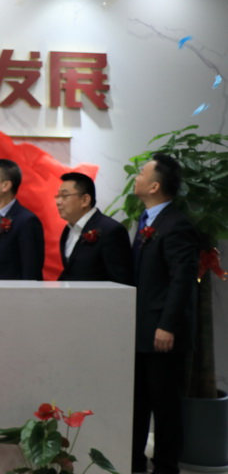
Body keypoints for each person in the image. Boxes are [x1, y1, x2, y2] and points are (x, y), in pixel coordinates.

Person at [131, 153, 198, 474]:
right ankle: (134, 464)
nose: (136, 177)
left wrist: (167, 325)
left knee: (166, 408)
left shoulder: (176, 224)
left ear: (155, 186)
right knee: (138, 404)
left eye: (141, 173)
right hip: (141, 331)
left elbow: (182, 280)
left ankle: (166, 468)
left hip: (162, 334)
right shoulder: (145, 221)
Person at [56, 172, 132, 283]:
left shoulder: (111, 230)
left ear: (85, 200)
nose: (58, 202)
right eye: (57, 196)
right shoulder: (68, 230)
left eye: (64, 196)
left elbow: (121, 281)